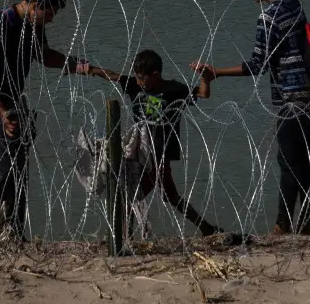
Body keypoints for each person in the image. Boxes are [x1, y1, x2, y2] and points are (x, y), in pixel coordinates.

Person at [192, 0, 310, 235]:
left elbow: (257, 65)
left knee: (289, 162)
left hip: (292, 97)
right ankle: (306, 224)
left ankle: (282, 225)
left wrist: (215, 72)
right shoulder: (293, 3)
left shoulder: (268, 17)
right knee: (306, 162)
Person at [0, 0, 90, 244]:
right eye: (50, 12)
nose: (52, 19)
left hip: (14, 102)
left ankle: (14, 234)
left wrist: (75, 63)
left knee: (18, 173)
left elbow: (42, 55)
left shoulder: (33, 25)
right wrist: (3, 113)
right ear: (34, 5)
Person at [86, 49, 227, 238]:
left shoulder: (173, 90)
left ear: (155, 75)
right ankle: (205, 228)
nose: (138, 82)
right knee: (160, 195)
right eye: (136, 77)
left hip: (160, 153)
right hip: (140, 152)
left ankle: (124, 238)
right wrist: (87, 69)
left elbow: (203, 93)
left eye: (142, 78)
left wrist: (204, 78)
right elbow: (112, 75)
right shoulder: (135, 86)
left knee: (136, 195)